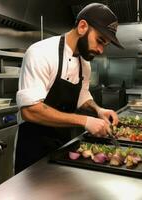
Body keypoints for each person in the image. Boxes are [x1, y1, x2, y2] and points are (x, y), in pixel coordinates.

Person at [15, 3, 124, 173]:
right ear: (82, 27)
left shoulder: (84, 64)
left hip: (62, 144)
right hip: (33, 148)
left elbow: (82, 94)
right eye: (100, 41)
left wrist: (98, 110)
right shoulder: (40, 53)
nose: (101, 50)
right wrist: (85, 121)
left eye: (105, 45)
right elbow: (30, 111)